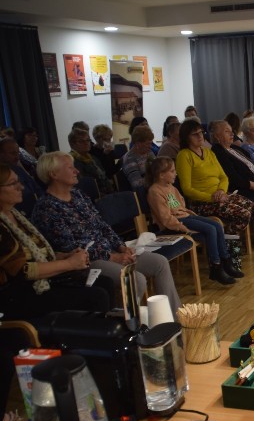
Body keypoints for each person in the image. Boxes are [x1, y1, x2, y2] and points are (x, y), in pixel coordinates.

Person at [31, 152, 182, 316]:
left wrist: (121, 247)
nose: (76, 171)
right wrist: (112, 257)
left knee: (159, 262)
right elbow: (71, 248)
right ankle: (123, 323)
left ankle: (173, 318)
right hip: (86, 262)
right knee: (135, 279)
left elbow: (102, 225)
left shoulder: (78, 195)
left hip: (111, 252)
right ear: (53, 174)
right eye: (70, 168)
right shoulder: (47, 208)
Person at [174, 120, 254, 262]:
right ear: (186, 137)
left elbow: (223, 177)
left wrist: (221, 191)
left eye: (201, 133)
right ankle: (230, 251)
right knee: (244, 214)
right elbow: (187, 189)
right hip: (203, 202)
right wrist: (213, 197)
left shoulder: (208, 153)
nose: (200, 136)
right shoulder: (184, 156)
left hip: (222, 196)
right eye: (195, 134)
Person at [0, 163, 114, 320]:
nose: (21, 187)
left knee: (105, 283)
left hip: (41, 281)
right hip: (19, 295)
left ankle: (107, 330)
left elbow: (38, 253)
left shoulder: (15, 215)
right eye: (13, 183)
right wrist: (69, 264)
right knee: (97, 296)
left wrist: (62, 256)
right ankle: (94, 334)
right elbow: (22, 271)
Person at [146, 156, 242, 285]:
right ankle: (216, 266)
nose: (176, 174)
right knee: (210, 229)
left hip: (185, 217)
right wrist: (183, 228)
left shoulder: (171, 187)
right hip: (175, 224)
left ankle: (226, 261)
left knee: (217, 225)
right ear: (161, 175)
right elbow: (166, 218)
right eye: (172, 171)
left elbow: (181, 206)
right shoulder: (154, 191)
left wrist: (191, 217)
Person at [0, 137, 42, 215]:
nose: (17, 157)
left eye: (18, 153)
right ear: (1, 154)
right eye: (12, 153)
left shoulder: (18, 169)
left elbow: (37, 189)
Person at [68, 128, 114, 194]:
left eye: (88, 140)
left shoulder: (93, 158)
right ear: (72, 144)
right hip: (92, 196)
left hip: (107, 193)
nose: (86, 143)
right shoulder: (71, 161)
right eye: (81, 141)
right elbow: (83, 185)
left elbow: (104, 176)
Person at [121, 125, 156, 194]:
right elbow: (136, 184)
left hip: (154, 188)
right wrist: (156, 179)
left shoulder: (149, 152)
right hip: (142, 193)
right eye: (148, 144)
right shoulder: (129, 158)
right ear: (138, 144)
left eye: (151, 143)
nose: (150, 146)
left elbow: (157, 168)